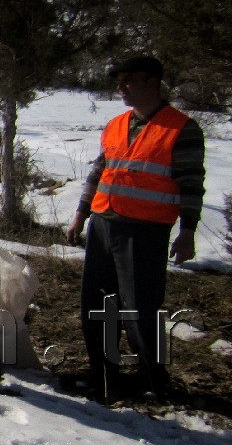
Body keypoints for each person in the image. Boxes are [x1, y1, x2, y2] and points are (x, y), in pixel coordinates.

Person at [66, 54, 205, 403]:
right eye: (119, 81)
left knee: (140, 308)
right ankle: (104, 377)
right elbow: (99, 172)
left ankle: (154, 380)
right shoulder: (116, 125)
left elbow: (191, 183)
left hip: (144, 231)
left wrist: (187, 230)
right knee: (97, 305)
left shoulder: (181, 128)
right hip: (103, 223)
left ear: (151, 82)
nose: (121, 87)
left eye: (128, 80)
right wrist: (81, 213)